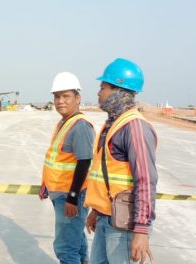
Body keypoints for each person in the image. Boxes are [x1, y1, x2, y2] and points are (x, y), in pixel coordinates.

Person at [84, 58, 158, 264]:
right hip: (106, 218)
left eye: (103, 87)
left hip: (124, 225)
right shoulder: (113, 124)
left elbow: (145, 181)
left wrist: (141, 231)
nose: (99, 93)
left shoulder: (135, 128)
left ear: (118, 90)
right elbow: (106, 175)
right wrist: (96, 211)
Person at [40, 72, 95, 264]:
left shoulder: (79, 126)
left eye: (66, 96)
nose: (60, 101)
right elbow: (58, 159)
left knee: (65, 248)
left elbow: (84, 162)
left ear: (77, 98)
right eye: (57, 97)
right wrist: (46, 183)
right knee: (76, 241)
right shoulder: (65, 122)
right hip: (61, 192)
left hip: (72, 196)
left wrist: (72, 197)